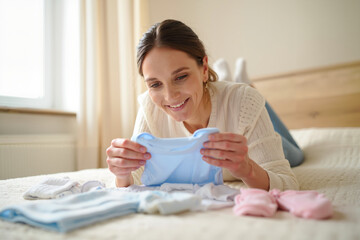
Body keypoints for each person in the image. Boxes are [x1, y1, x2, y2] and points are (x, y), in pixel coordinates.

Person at [106, 19, 301, 191]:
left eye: (181, 77)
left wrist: (248, 169)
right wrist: (122, 173)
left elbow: (287, 182)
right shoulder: (149, 107)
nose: (170, 96)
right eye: (155, 84)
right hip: (222, 95)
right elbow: (133, 181)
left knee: (296, 155)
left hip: (242, 104)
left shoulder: (244, 102)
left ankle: (244, 83)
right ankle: (232, 80)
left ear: (204, 68)